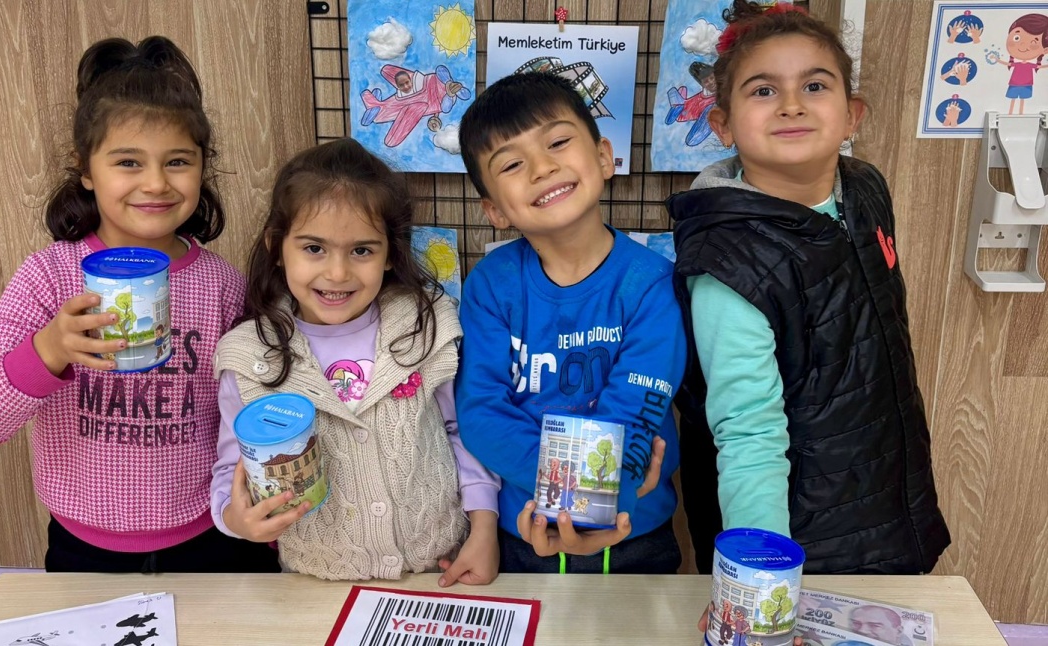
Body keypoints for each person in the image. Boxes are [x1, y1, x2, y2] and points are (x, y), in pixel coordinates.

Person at [0, 36, 277, 573]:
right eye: (128, 161)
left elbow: (250, 411)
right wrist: (49, 349)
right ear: (86, 169)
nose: (155, 183)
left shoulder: (220, 285)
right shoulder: (49, 277)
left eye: (178, 161)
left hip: (213, 536)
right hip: (83, 547)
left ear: (201, 169)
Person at [665, 0, 950, 578]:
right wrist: (763, 577)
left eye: (815, 85)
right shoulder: (728, 265)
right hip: (799, 542)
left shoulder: (864, 189)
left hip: (890, 496)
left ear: (852, 115)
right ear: (722, 124)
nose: (791, 104)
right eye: (763, 90)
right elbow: (748, 434)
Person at [209, 138, 500, 585]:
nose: (338, 273)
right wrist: (237, 520)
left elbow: (462, 433)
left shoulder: (427, 329)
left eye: (362, 250)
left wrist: (484, 528)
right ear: (277, 245)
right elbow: (233, 467)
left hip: (441, 568)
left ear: (389, 253)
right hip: (313, 579)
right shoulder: (249, 357)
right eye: (314, 249)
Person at [456, 72, 686, 574]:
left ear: (604, 156)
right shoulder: (490, 285)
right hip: (522, 534)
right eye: (513, 164)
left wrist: (596, 504)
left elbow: (637, 407)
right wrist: (574, 499)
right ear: (494, 210)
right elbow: (480, 413)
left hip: (635, 535)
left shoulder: (652, 284)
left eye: (558, 142)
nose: (542, 167)